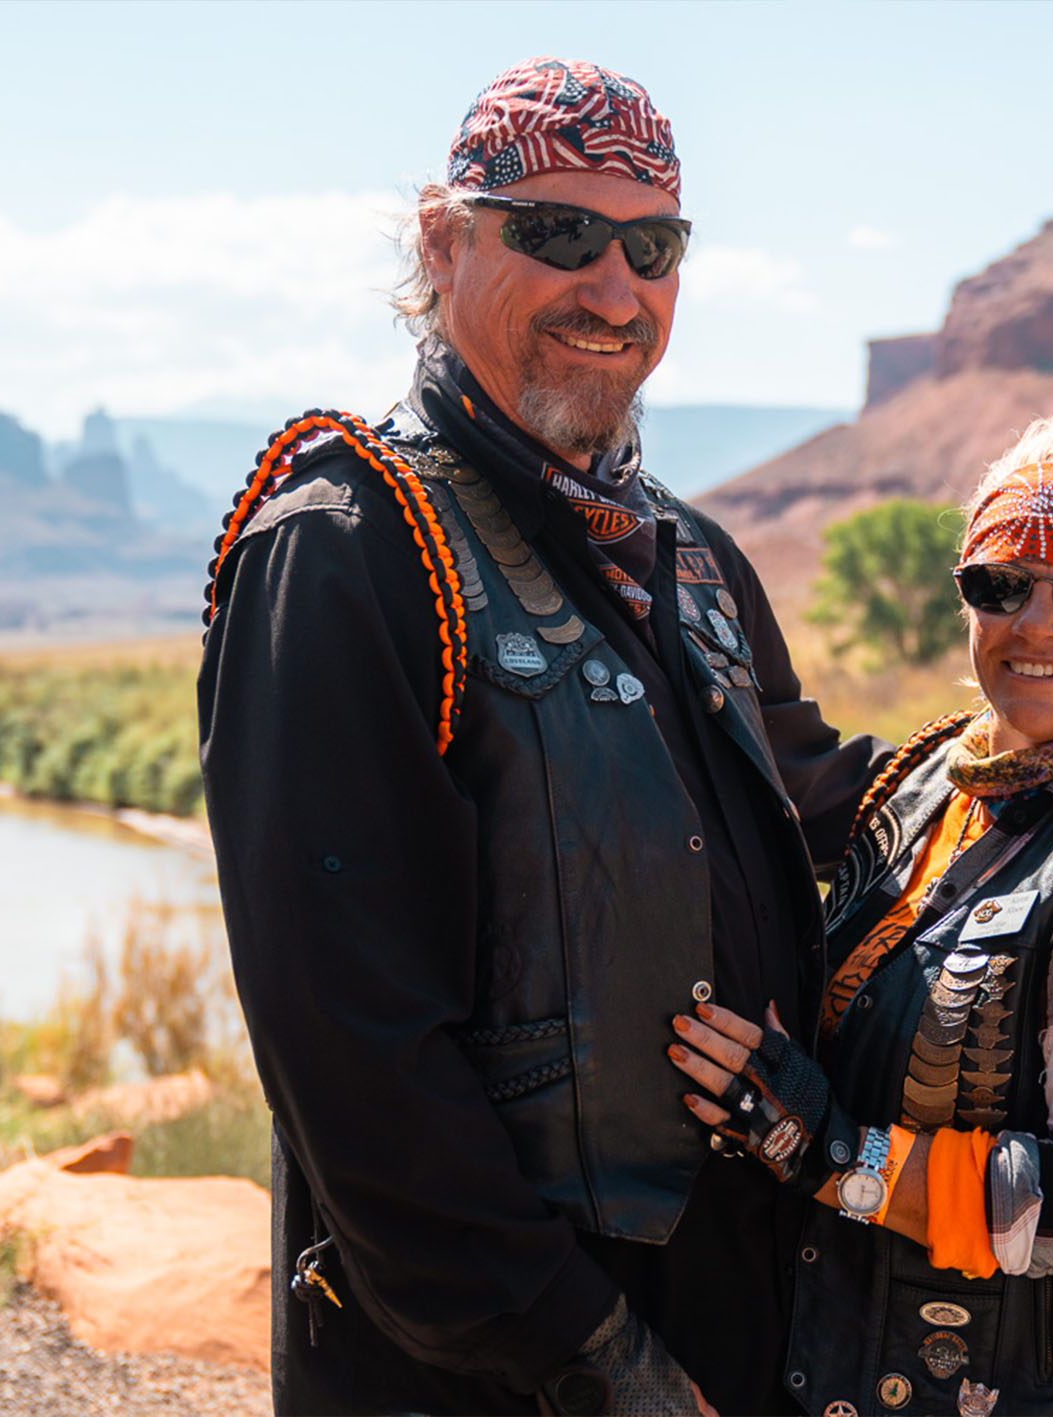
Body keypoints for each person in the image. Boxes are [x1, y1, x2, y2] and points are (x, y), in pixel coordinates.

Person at [198, 57, 882, 1416]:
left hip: (734, 1321)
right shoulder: (348, 551)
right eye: (559, 234)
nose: (613, 289)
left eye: (652, 246)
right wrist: (591, 1358)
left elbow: (833, 808)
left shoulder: (691, 559)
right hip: (487, 1365)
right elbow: (354, 1049)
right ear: (445, 245)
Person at [671, 409, 1053, 1417]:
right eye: (998, 586)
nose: (1036, 624)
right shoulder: (935, 779)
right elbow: (772, 767)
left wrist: (827, 1149)